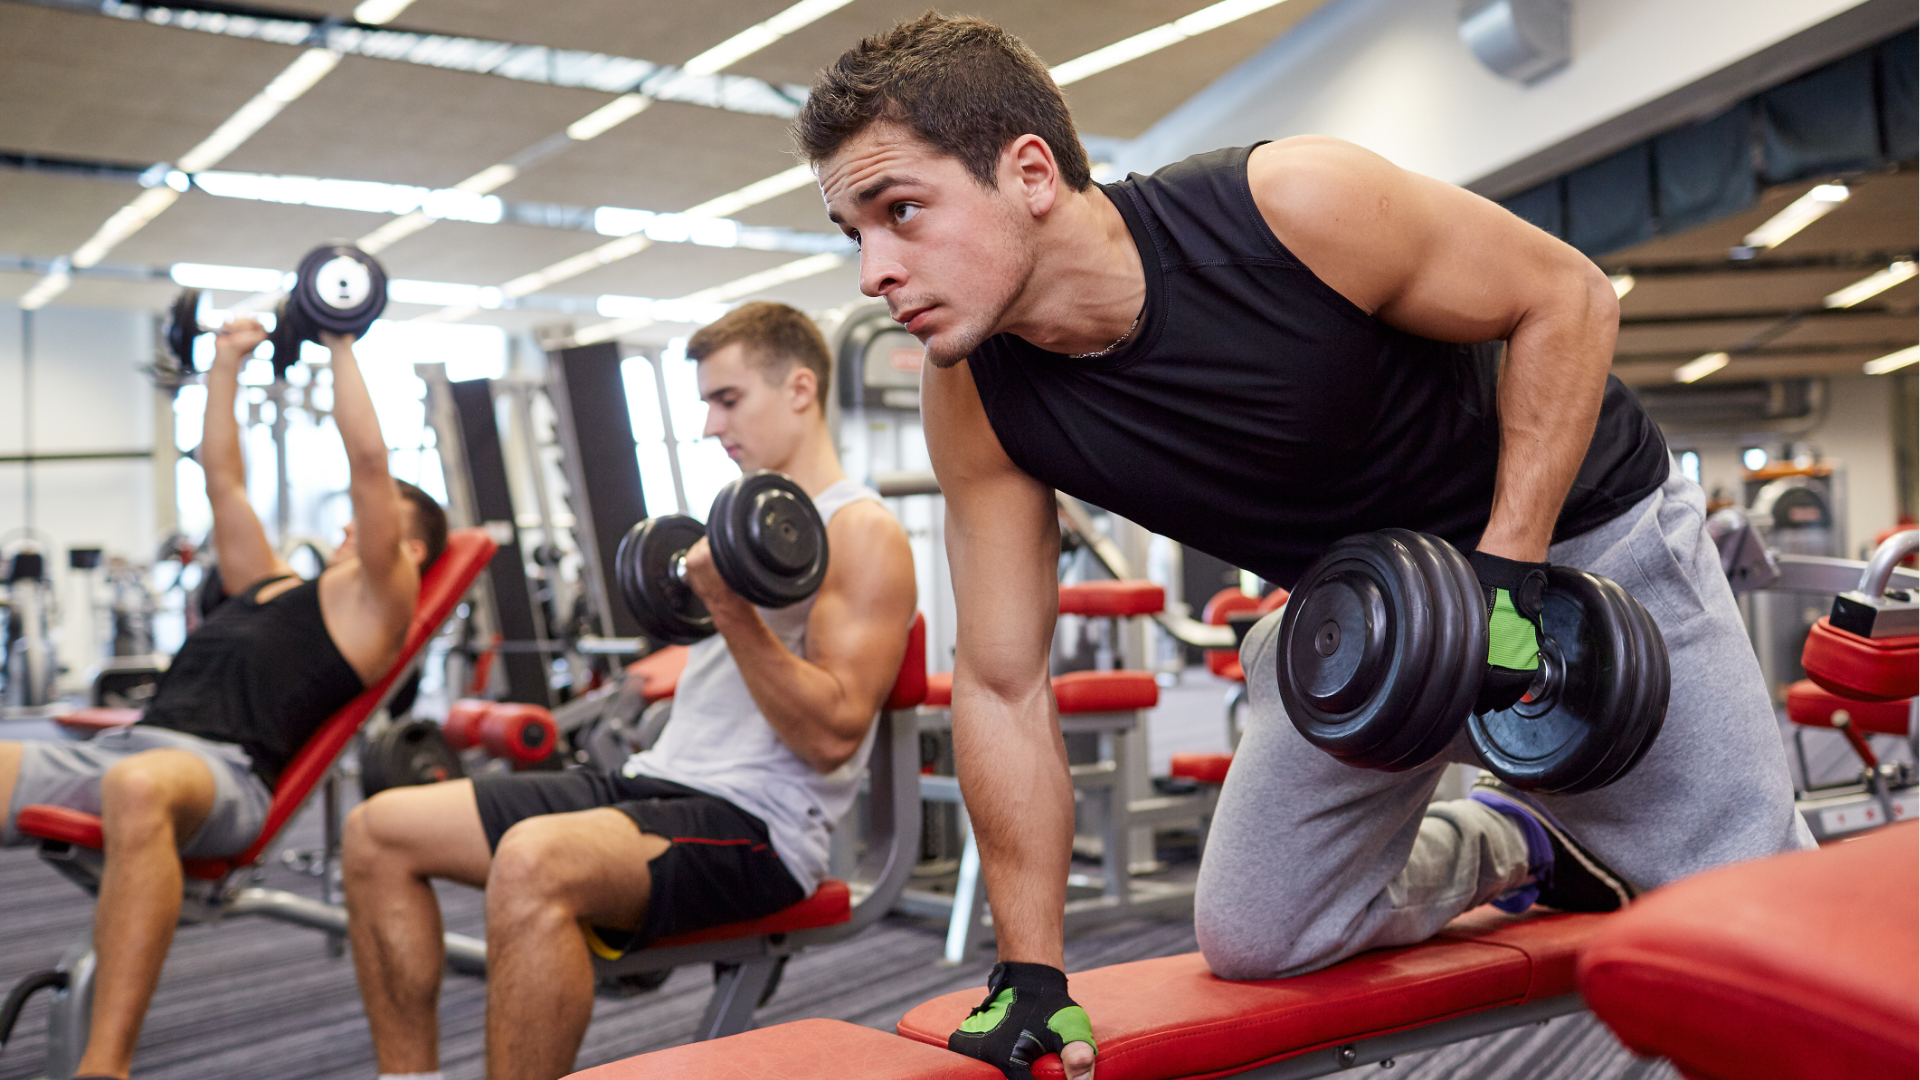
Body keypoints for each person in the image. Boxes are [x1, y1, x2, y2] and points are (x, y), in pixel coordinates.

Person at [793, 14, 1812, 1080]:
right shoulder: (974, 399)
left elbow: (1566, 295)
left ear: (1031, 173)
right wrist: (1031, 973)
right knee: (1261, 934)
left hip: (1577, 542)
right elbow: (1003, 683)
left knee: (1759, 928)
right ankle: (1521, 840)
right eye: (853, 233)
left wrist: (1506, 581)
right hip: (1371, 614)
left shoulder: (1290, 208)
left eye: (900, 212)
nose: (873, 271)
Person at [341, 301, 917, 1080]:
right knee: (378, 830)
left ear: (800, 389)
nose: (711, 426)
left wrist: (728, 608)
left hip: (759, 825)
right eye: (706, 404)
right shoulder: (740, 525)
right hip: (653, 782)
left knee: (535, 859)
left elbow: (833, 735)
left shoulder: (861, 531)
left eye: (728, 400)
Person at [0, 319, 446, 1080]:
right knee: (102, 772)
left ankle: (104, 1066)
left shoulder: (377, 608)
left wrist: (340, 341)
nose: (350, 520)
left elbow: (370, 464)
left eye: (374, 516)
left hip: (222, 774)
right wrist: (226, 363)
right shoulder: (268, 582)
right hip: (126, 749)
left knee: (138, 788)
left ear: (409, 552)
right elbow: (222, 479)